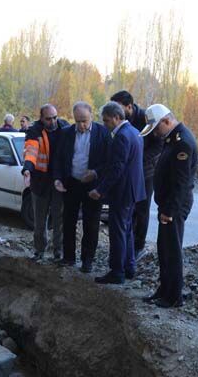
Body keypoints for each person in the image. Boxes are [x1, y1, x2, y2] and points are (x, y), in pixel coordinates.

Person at [140, 104, 198, 308]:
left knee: (172, 250)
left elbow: (181, 183)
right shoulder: (172, 139)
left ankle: (174, 296)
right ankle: (164, 289)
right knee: (164, 248)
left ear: (166, 121)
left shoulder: (182, 143)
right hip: (167, 203)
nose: (155, 134)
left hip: (174, 205)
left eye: (157, 129)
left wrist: (169, 211)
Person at [88, 101, 145, 284]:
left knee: (118, 231)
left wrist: (100, 190)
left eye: (106, 121)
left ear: (116, 117)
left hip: (122, 192)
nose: (105, 125)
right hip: (133, 190)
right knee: (126, 229)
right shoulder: (135, 132)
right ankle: (129, 267)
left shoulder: (121, 136)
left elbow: (117, 168)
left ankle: (117, 271)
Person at [53, 101, 111, 273]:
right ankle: (69, 257)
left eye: (84, 120)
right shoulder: (66, 133)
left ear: (91, 116)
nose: (81, 125)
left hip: (92, 186)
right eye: (78, 121)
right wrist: (57, 179)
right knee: (68, 221)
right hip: (71, 183)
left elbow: (109, 161)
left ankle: (87, 261)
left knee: (91, 224)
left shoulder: (103, 133)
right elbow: (58, 159)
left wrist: (95, 173)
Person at [110, 90, 163, 262]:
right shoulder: (119, 121)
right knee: (128, 211)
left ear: (129, 107)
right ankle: (126, 246)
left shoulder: (146, 119)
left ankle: (138, 247)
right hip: (126, 172)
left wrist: (138, 159)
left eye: (118, 108)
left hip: (145, 172)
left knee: (141, 209)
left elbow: (158, 146)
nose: (114, 112)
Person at [22, 104, 69, 261]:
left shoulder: (64, 128)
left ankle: (58, 252)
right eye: (49, 118)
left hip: (59, 182)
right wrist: (27, 169)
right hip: (40, 183)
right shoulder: (34, 131)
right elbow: (31, 152)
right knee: (40, 220)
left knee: (59, 219)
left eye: (55, 117)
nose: (53, 121)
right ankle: (39, 250)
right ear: (41, 118)